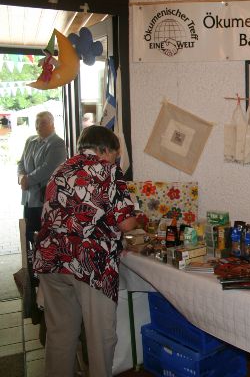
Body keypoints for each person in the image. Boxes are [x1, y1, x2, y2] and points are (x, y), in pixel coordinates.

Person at [33, 125, 137, 377]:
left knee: (60, 334)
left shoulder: (61, 169)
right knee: (100, 337)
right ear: (105, 150)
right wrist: (138, 217)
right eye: (115, 155)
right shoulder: (108, 170)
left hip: (51, 259)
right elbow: (126, 224)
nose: (116, 160)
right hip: (89, 263)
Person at [17, 111, 67, 244]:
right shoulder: (30, 141)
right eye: (37, 122)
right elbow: (21, 162)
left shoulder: (58, 143)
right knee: (28, 232)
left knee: (45, 236)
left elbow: (48, 168)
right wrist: (21, 177)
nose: (38, 126)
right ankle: (33, 255)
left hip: (44, 199)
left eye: (43, 123)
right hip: (28, 197)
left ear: (52, 124)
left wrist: (27, 180)